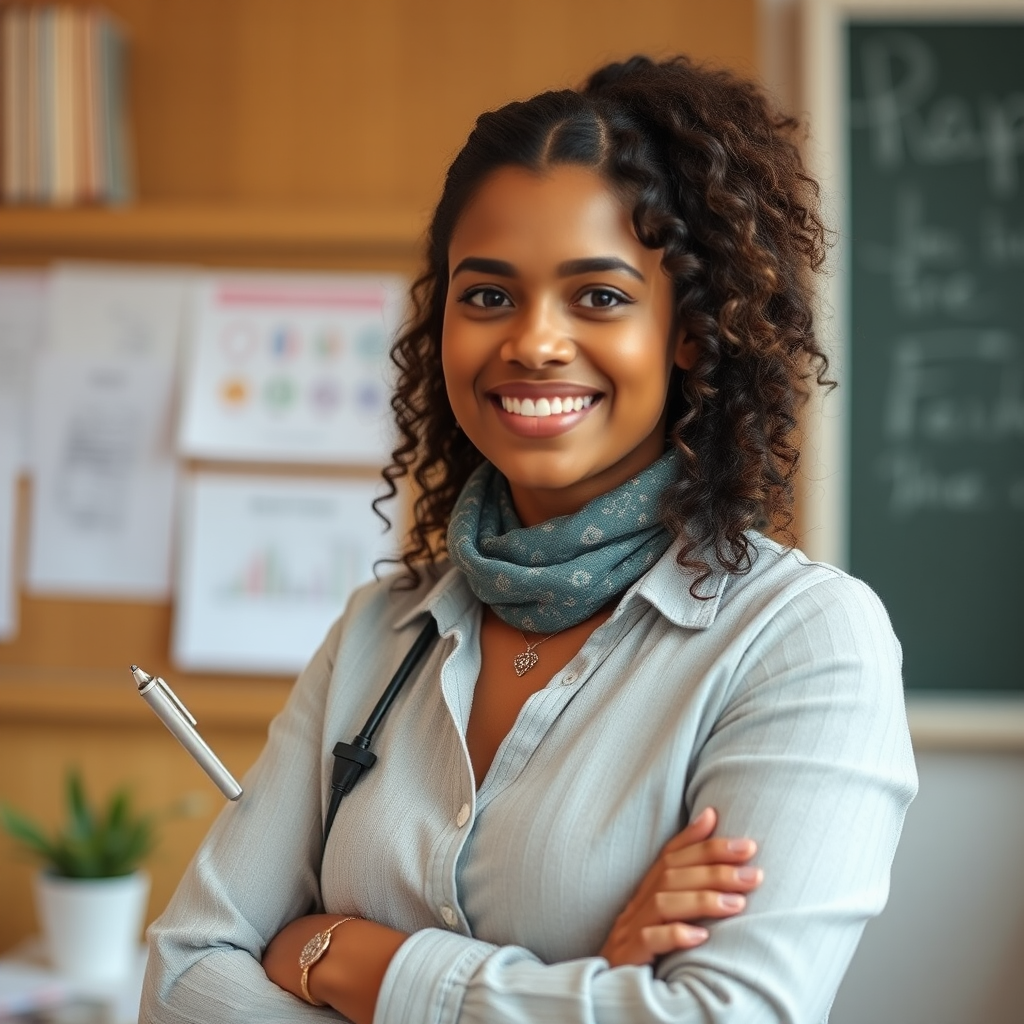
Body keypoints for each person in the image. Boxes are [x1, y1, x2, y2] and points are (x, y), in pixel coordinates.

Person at [141, 55, 917, 1024]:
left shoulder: (800, 640)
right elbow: (182, 979)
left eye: (597, 296)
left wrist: (340, 956)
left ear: (687, 329)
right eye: (488, 295)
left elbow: (725, 1017)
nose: (533, 342)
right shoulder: (382, 630)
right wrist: (593, 983)